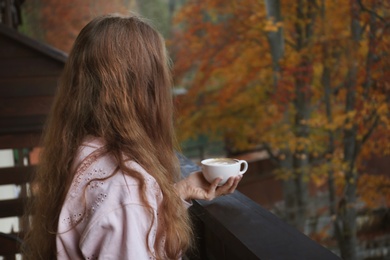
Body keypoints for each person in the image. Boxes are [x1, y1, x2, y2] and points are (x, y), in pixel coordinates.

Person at [23, 13, 242, 260]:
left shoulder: (86, 151)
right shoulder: (124, 189)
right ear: (144, 88)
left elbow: (124, 228)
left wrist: (177, 193)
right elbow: (125, 215)